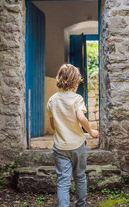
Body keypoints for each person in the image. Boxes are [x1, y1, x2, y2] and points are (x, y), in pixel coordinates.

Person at [47, 63, 99, 207]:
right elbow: (81, 118)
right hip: (77, 144)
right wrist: (91, 131)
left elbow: (52, 124)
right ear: (75, 81)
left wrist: (60, 128)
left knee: (63, 180)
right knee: (80, 177)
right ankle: (80, 204)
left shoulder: (52, 100)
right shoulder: (77, 99)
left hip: (60, 146)